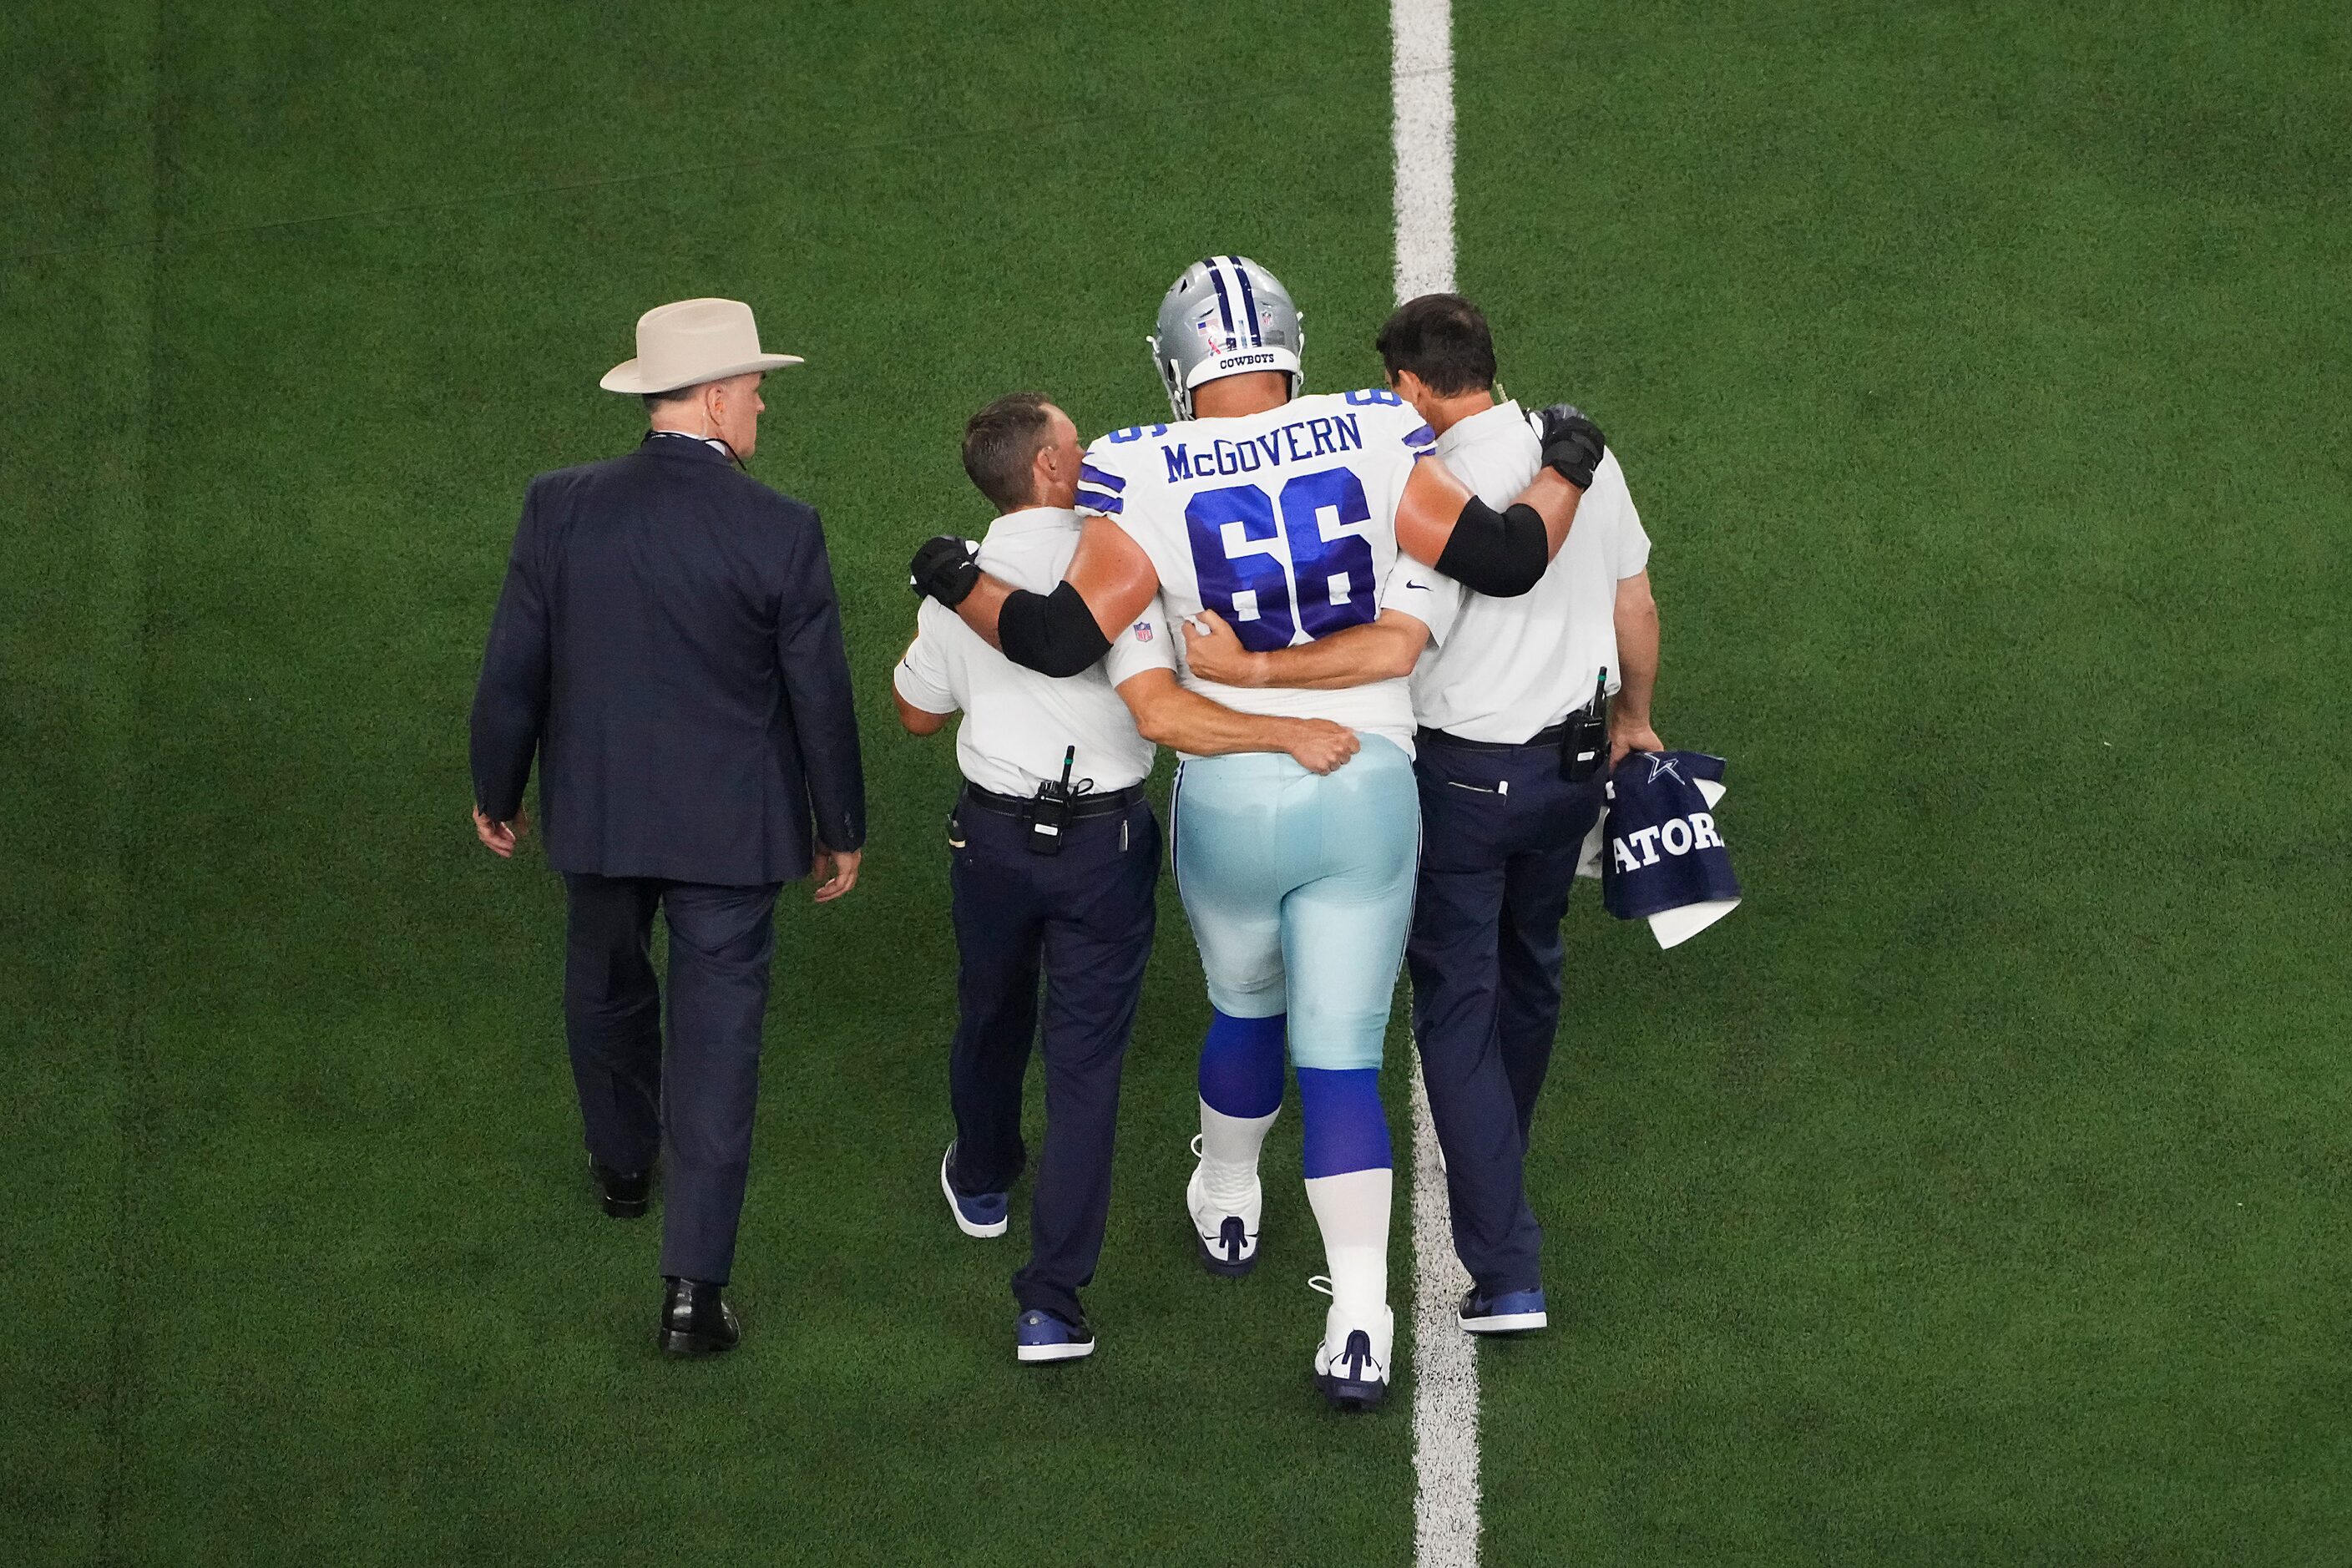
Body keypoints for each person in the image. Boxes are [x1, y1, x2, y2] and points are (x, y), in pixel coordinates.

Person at [908, 256, 1606, 1409]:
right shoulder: (1377, 426)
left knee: (1244, 1005)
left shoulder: (1130, 467)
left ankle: (1229, 1195)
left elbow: (1050, 633)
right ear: (1288, 342)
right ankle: (1359, 1317)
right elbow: (1508, 556)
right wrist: (1568, 462)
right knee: (1341, 1057)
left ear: (1179, 363)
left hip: (1229, 783)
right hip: (1366, 781)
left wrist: (953, 577)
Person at [1182, 292, 1660, 1336]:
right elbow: (1636, 601)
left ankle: (1505, 1266)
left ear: (1408, 385)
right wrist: (1636, 719)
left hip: (1464, 785)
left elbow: (1397, 646)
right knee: (1531, 969)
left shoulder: (1431, 484)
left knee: (1455, 1006)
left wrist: (1249, 669)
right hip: (1572, 773)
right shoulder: (1577, 456)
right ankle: (1498, 1157)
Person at [893, 393, 1360, 1364]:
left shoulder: (959, 584)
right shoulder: (1126, 568)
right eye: (1077, 444)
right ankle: (1051, 1303)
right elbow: (1165, 704)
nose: (1093, 452)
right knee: (1085, 1066)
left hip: (989, 841)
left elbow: (915, 715)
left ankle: (980, 1178)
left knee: (990, 1012)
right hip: (1102, 849)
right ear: (1053, 471)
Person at [469, 296, 865, 1358]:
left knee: (603, 984)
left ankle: (620, 1168)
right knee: (719, 1044)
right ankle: (693, 1291)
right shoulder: (780, 528)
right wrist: (842, 826)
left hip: (596, 812)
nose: (764, 403)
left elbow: (516, 672)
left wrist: (496, 787)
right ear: (719, 396)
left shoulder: (559, 507)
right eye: (755, 387)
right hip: (733, 835)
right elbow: (818, 697)